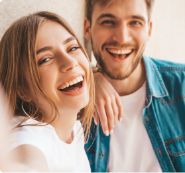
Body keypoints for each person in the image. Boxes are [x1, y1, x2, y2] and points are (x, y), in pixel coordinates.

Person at [84, 0, 185, 172]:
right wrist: (88, 77)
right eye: (108, 21)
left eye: (135, 23)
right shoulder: (76, 99)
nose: (122, 38)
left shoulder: (181, 84)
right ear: (88, 29)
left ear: (149, 29)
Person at [0, 11, 95, 171]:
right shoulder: (27, 139)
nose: (70, 62)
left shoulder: (74, 130)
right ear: (22, 88)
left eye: (72, 48)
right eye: (45, 59)